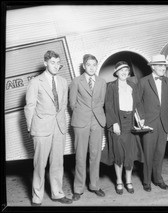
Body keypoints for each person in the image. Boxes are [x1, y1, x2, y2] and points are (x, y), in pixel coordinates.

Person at [24, 50, 73, 206]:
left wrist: (63, 125)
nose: (56, 66)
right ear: (45, 63)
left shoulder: (64, 82)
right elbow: (29, 106)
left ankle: (57, 193)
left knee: (58, 163)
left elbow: (63, 105)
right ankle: (37, 197)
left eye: (58, 63)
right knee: (39, 164)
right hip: (41, 128)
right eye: (53, 62)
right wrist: (31, 128)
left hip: (59, 128)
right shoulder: (35, 82)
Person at [69, 54, 107, 201]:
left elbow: (101, 101)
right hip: (81, 122)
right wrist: (82, 114)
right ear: (84, 66)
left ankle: (95, 185)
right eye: (89, 65)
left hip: (97, 121)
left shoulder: (102, 82)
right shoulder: (76, 81)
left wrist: (95, 116)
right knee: (80, 155)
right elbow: (72, 103)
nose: (91, 68)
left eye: (94, 65)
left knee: (95, 154)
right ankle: (78, 188)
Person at [136, 54, 168, 192]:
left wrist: (165, 113)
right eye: (160, 65)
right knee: (148, 153)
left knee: (160, 153)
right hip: (149, 123)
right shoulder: (143, 81)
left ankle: (158, 179)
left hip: (163, 123)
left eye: (164, 65)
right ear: (153, 67)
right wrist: (142, 117)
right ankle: (146, 181)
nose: (163, 68)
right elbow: (137, 101)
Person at [105, 61, 144, 195]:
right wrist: (114, 122)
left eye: (126, 70)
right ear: (116, 72)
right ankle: (119, 181)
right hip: (118, 121)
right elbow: (108, 106)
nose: (124, 73)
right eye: (121, 70)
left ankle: (128, 181)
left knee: (129, 154)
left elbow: (138, 104)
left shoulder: (132, 85)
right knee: (119, 154)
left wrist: (141, 119)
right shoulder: (111, 86)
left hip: (130, 123)